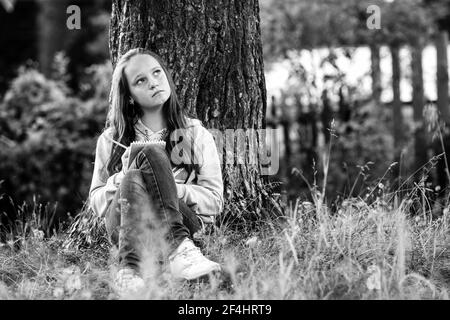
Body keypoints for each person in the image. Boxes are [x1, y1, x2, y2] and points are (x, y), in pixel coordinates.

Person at [88, 48, 224, 296]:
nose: (153, 83)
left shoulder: (196, 133)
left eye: (157, 73)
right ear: (129, 96)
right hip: (127, 228)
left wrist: (168, 185)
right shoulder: (110, 140)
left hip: (186, 225)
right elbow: (96, 202)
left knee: (149, 155)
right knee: (133, 173)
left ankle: (133, 269)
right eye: (141, 80)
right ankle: (173, 255)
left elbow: (214, 202)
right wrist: (121, 179)